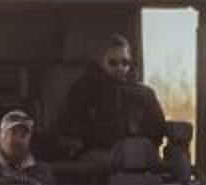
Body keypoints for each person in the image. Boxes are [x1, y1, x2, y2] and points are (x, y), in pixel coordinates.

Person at [45, 32, 166, 164]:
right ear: (100, 61)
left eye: (125, 62)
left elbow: (157, 130)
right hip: (97, 158)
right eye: (113, 62)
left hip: (138, 157)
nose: (120, 67)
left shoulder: (145, 94)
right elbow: (68, 129)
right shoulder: (83, 91)